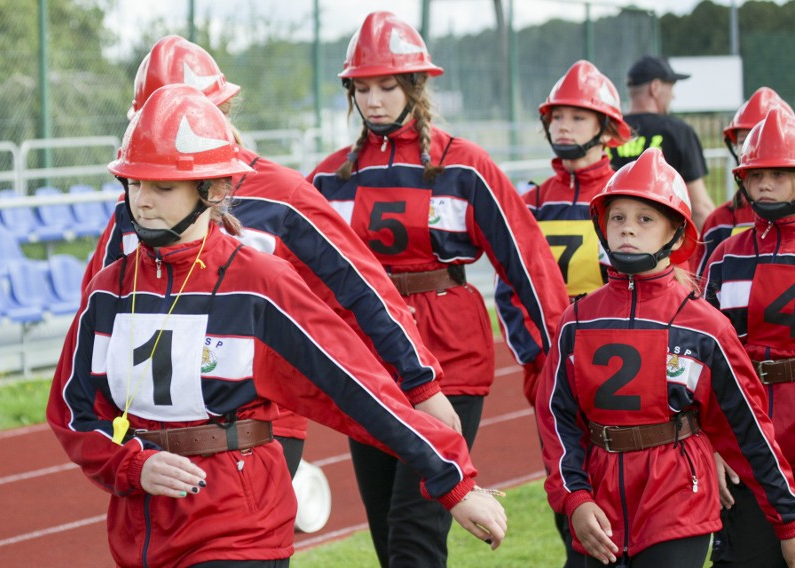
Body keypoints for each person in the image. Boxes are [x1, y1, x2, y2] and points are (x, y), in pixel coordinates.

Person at [46, 84, 507, 568]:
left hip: (239, 528)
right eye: (134, 183)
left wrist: (452, 481)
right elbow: (73, 412)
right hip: (141, 531)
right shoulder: (107, 292)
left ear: (215, 189)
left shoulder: (259, 283)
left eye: (163, 187)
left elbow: (354, 385)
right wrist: (132, 465)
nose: (142, 201)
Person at [83, 35, 460, 480]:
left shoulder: (284, 194)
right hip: (160, 428)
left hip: (262, 425)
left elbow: (363, 287)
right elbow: (96, 316)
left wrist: (420, 383)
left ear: (219, 114)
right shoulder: (137, 206)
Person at [308, 11, 568, 567]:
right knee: (386, 531)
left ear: (415, 86)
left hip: (451, 359)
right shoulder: (328, 179)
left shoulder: (465, 167)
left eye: (388, 85)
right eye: (363, 87)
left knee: (416, 523)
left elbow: (527, 264)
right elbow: (294, 277)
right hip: (370, 363)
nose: (374, 99)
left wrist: (553, 360)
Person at [536, 146, 795, 568]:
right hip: (599, 505)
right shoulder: (576, 321)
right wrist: (576, 498)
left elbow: (749, 431)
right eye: (617, 217)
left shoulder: (705, 326)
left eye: (645, 219)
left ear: (675, 234)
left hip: (679, 503)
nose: (627, 230)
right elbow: (556, 418)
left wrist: (787, 523)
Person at [494, 59, 631, 568]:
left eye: (576, 117)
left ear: (606, 129)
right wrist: (537, 359)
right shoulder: (529, 202)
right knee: (566, 489)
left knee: (623, 487)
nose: (564, 127)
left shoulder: (627, 196)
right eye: (557, 118)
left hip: (615, 365)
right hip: (551, 371)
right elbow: (509, 291)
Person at [703, 107, 795, 568]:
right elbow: (697, 359)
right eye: (756, 173)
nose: (764, 184)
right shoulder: (724, 255)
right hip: (745, 426)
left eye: (779, 173)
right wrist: (709, 443)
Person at [692, 87, 793, 277]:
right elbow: (703, 292)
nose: (759, 146)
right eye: (745, 139)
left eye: (778, 174)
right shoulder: (718, 222)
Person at [610, 55, 715, 228]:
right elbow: (700, 208)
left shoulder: (610, 131)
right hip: (662, 244)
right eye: (671, 87)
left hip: (611, 239)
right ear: (655, 88)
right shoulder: (678, 131)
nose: (673, 96)